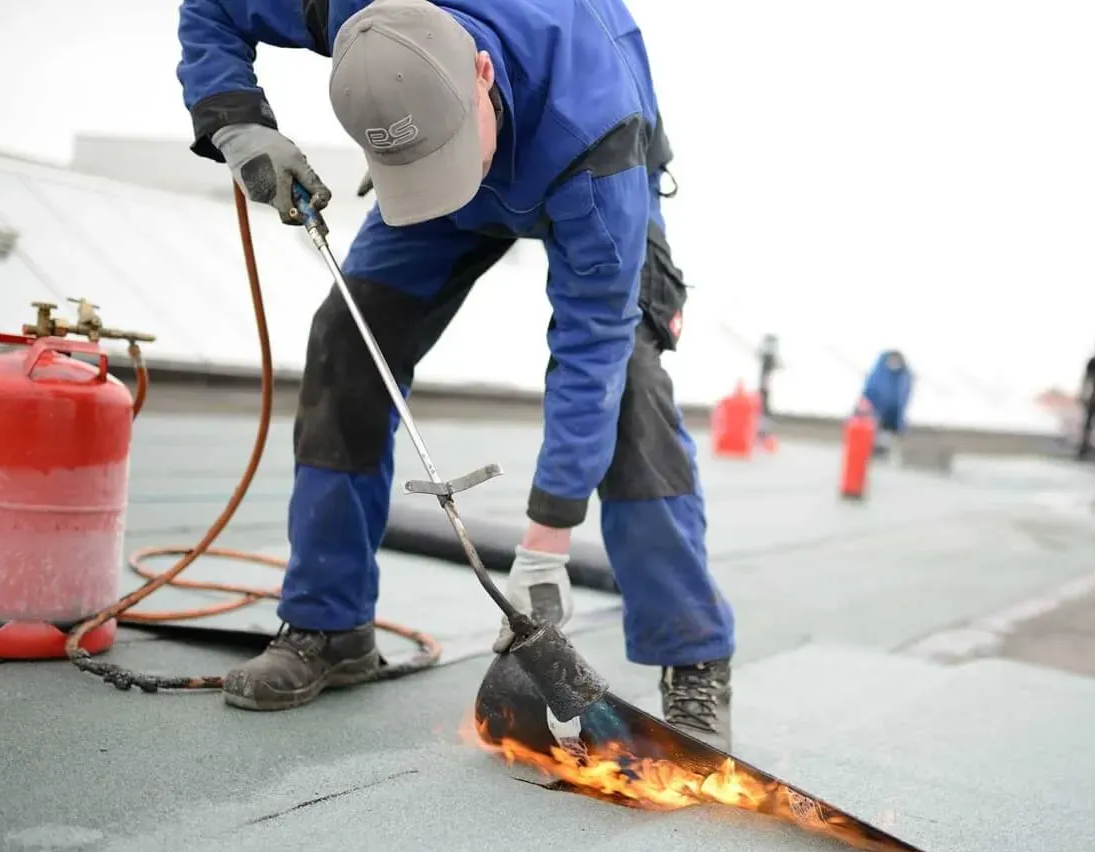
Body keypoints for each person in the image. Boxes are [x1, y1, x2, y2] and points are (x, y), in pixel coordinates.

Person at [175, 0, 736, 748]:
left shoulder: (596, 126)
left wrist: (548, 536)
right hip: (443, 171)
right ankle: (330, 623)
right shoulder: (343, 9)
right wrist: (235, 118)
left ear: (479, 73)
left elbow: (590, 344)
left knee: (628, 388)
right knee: (348, 341)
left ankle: (692, 657)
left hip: (572, 164)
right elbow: (209, 9)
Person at [858, 350, 914, 458]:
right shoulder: (879, 374)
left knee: (884, 438)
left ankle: (881, 450)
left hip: (891, 418)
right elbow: (870, 392)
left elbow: (903, 397)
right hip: (874, 414)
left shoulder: (903, 377)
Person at [755, 334, 781, 449]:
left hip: (765, 387)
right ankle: (761, 432)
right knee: (762, 409)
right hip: (764, 387)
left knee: (764, 410)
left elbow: (767, 374)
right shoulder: (767, 357)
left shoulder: (769, 358)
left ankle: (762, 433)